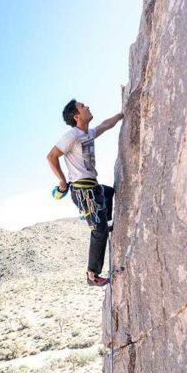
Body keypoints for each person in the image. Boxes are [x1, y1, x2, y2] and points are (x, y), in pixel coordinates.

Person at [47, 99, 124, 286]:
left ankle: (103, 223)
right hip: (82, 190)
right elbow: (51, 156)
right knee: (99, 232)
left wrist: (122, 113)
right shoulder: (71, 135)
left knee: (108, 192)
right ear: (77, 116)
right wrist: (62, 181)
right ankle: (93, 275)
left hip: (92, 187)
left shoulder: (87, 133)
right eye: (83, 106)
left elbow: (105, 125)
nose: (87, 106)